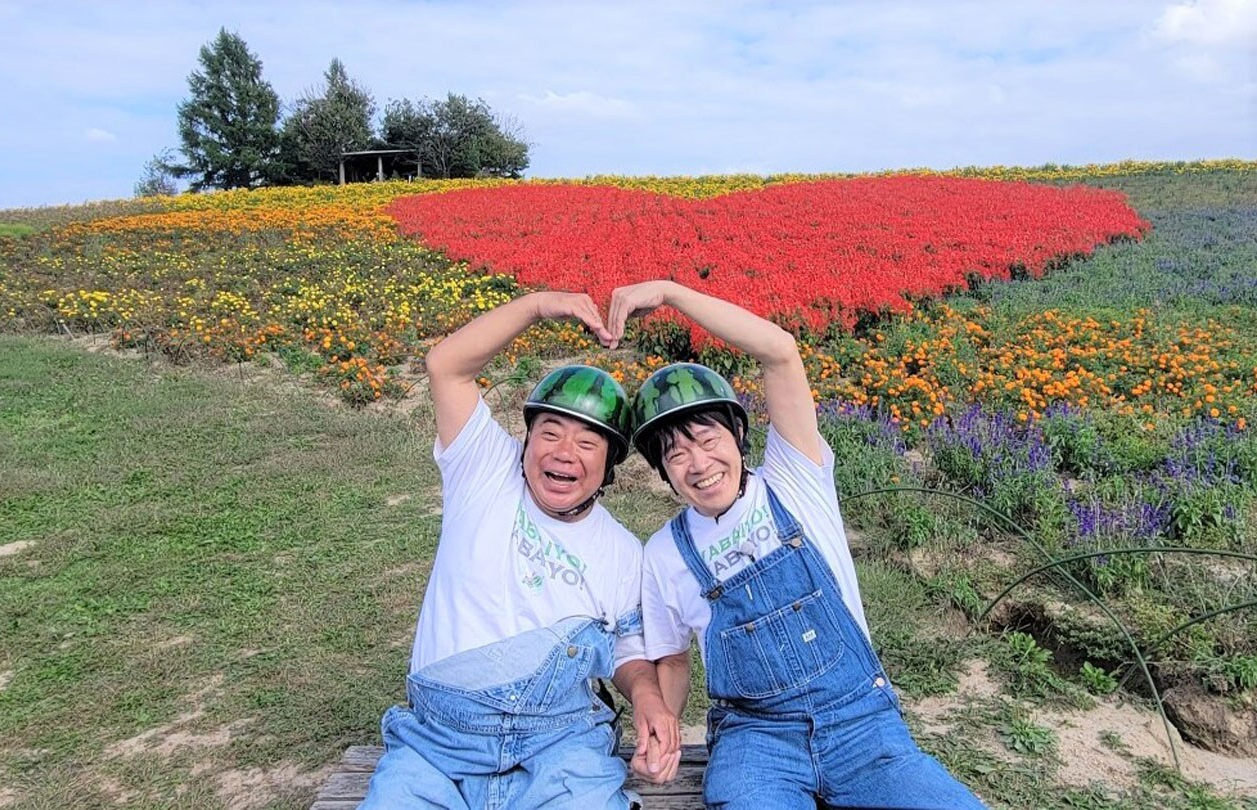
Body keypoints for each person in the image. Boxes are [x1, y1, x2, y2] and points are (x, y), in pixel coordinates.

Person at [606, 280, 984, 810]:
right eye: (676, 453)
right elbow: (671, 659)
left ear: (738, 438)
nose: (698, 463)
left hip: (861, 726)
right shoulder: (665, 553)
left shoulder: (794, 478)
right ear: (664, 472)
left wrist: (671, 294)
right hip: (756, 741)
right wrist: (664, 728)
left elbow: (780, 349)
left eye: (708, 439)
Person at [359, 290, 680, 810]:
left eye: (587, 444)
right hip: (441, 743)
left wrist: (647, 698)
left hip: (560, 740)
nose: (563, 453)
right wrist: (536, 306)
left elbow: (626, 646)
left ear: (609, 467)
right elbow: (445, 366)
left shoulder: (622, 551)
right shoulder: (484, 471)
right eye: (550, 433)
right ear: (525, 441)